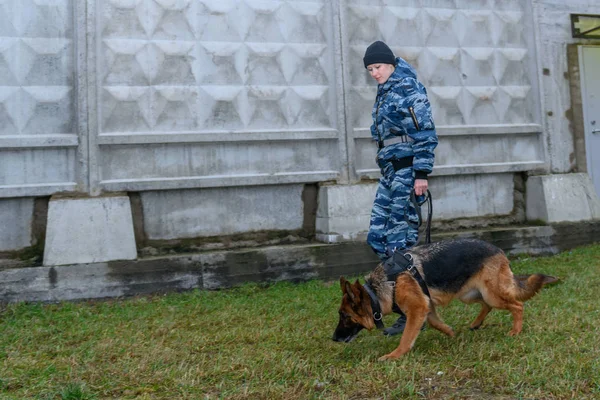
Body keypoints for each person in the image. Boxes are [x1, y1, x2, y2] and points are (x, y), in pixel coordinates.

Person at [363, 41, 438, 336]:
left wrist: (421, 173)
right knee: (379, 237)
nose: (374, 73)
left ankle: (410, 310)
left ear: (391, 64)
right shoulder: (385, 90)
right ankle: (397, 300)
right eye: (369, 69)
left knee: (401, 241)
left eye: (378, 66)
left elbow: (424, 131)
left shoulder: (406, 87)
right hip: (391, 171)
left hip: (408, 171)